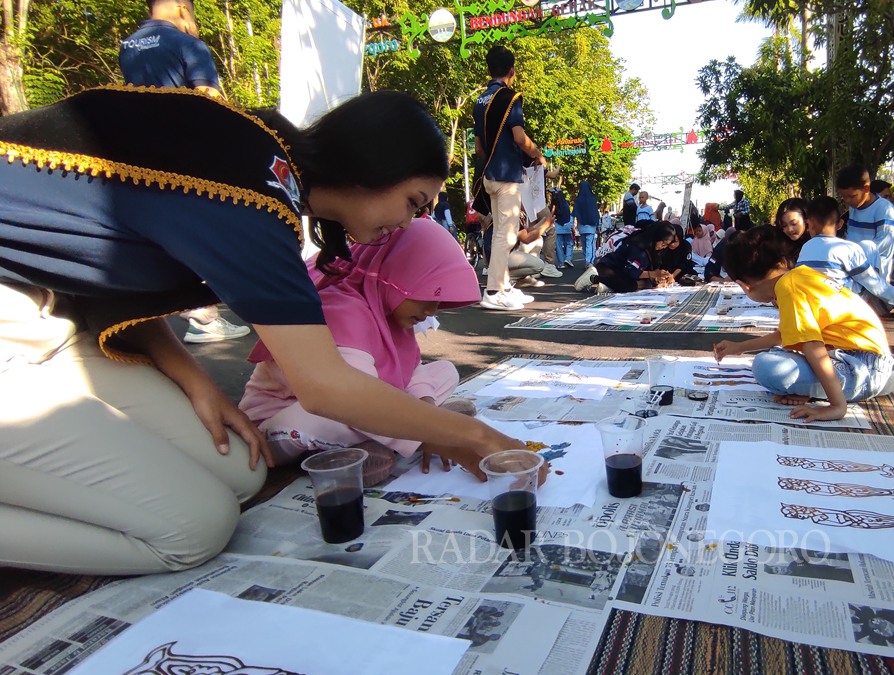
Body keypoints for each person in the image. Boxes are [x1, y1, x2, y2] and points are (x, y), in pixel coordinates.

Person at [0, 88, 526, 575]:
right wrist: (467, 435)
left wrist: (196, 382)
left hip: (62, 324)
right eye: (413, 203)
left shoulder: (265, 168)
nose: (409, 224)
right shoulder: (253, 191)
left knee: (241, 472)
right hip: (14, 321)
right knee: (194, 529)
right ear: (374, 167)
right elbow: (324, 386)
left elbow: (108, 272)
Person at [240, 219, 480, 484]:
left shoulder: (387, 306)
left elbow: (412, 371)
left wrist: (429, 413)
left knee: (445, 371)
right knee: (325, 419)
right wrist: (437, 437)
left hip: (360, 399)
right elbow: (350, 401)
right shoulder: (343, 308)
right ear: (396, 277)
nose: (432, 311)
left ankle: (375, 444)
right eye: (429, 293)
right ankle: (385, 441)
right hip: (282, 421)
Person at [120, 0, 252, 345]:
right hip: (186, 155)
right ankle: (204, 317)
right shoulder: (187, 44)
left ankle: (187, 307)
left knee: (169, 231)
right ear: (182, 7)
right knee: (205, 229)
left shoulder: (129, 45)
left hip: (143, 157)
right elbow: (209, 102)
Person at [712, 226, 894, 422]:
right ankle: (809, 388)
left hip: (862, 369)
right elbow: (782, 336)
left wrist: (837, 407)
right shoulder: (799, 276)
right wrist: (738, 347)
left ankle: (829, 395)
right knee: (778, 355)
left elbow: (813, 346)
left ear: (744, 285)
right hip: (861, 359)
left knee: (766, 366)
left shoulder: (788, 288)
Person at [474, 45, 546, 312]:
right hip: (506, 176)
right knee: (507, 235)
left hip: (488, 176)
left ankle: (503, 286)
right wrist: (538, 155)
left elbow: (479, 149)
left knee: (501, 232)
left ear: (488, 70)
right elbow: (519, 137)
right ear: (512, 71)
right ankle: (493, 292)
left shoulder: (479, 101)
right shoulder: (511, 98)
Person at [796, 197, 894, 313]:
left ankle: (890, 301)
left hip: (812, 304)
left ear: (809, 224)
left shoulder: (805, 248)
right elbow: (874, 284)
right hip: (842, 306)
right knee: (869, 248)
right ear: (840, 224)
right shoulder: (848, 248)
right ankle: (884, 305)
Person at [835, 165, 894, 282]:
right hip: (853, 272)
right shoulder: (854, 207)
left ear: (866, 189)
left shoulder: (884, 209)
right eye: (844, 197)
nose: (848, 201)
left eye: (851, 196)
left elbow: (882, 246)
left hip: (874, 276)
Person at [591, 222, 677, 293]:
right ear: (656, 237)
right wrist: (654, 274)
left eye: (667, 245)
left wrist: (661, 276)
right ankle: (595, 278)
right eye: (663, 243)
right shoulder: (639, 247)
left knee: (647, 283)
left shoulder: (653, 250)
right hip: (609, 267)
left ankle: (607, 285)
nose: (664, 247)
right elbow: (630, 271)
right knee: (630, 285)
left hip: (621, 271)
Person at [773, 197, 809, 265]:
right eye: (784, 225)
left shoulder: (816, 245)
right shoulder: (780, 248)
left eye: (794, 223)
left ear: (806, 220)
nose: (789, 229)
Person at [574, 180, 601, 268]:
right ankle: (589, 261)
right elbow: (596, 213)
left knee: (584, 244)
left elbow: (575, 213)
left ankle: (586, 258)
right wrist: (599, 225)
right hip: (591, 226)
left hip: (581, 225)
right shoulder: (592, 199)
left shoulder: (578, 199)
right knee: (590, 244)